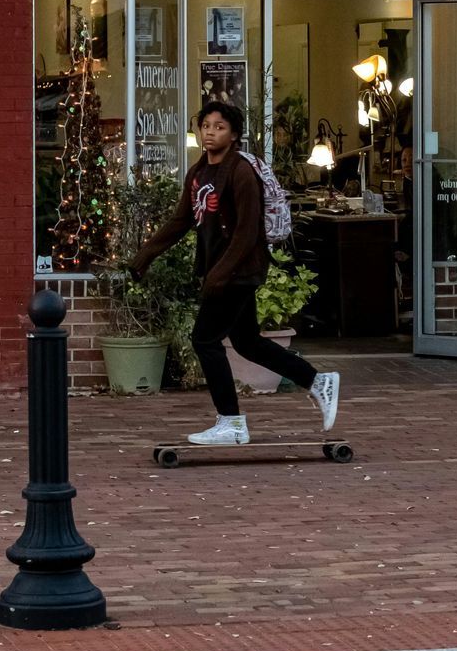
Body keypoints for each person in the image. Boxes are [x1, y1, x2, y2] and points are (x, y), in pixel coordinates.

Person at [133, 99, 340, 447]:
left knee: (204, 339)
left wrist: (219, 275)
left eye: (220, 127)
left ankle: (231, 422)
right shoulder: (199, 172)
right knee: (247, 342)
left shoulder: (241, 173)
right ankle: (319, 382)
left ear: (234, 135)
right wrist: (145, 256)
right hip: (222, 271)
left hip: (239, 271)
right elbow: (181, 220)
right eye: (206, 126)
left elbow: (247, 233)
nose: (211, 132)